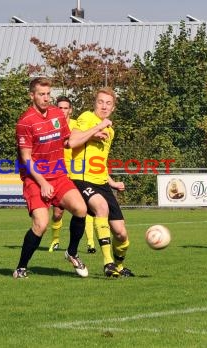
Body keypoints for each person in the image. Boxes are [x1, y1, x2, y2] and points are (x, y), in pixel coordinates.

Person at [13, 77, 90, 279]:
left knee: (81, 209)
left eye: (48, 94)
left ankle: (72, 253)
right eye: (41, 94)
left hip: (58, 175)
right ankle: (21, 267)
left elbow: (68, 142)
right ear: (32, 95)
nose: (46, 98)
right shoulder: (25, 121)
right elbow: (26, 158)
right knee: (41, 224)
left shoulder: (57, 114)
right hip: (35, 179)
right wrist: (43, 183)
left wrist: (92, 133)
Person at [68, 87, 133, 278]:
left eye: (108, 103)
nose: (104, 106)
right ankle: (108, 263)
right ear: (94, 103)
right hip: (81, 179)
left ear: (113, 108)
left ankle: (120, 266)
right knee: (101, 207)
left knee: (121, 234)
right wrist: (95, 129)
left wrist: (111, 182)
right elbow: (72, 141)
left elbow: (100, 162)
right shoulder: (87, 117)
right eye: (100, 102)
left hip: (101, 183)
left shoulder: (110, 131)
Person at [48, 96, 96, 254]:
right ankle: (55, 240)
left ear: (70, 110)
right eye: (59, 108)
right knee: (57, 213)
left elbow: (86, 138)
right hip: (59, 174)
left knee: (85, 208)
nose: (62, 111)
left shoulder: (77, 125)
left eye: (65, 108)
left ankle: (90, 243)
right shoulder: (52, 125)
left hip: (77, 173)